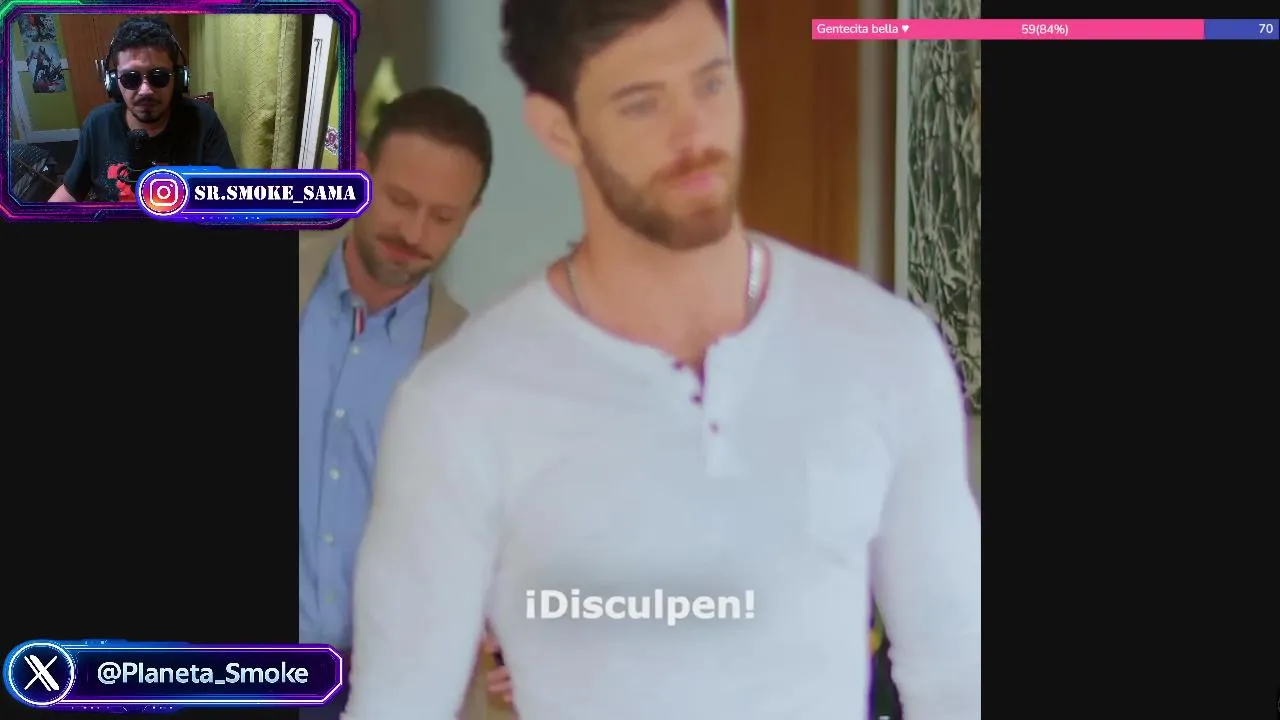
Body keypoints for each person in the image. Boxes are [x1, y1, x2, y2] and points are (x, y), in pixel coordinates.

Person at [343, 0, 982, 718]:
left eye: (710, 83)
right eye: (642, 103)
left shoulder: (886, 350)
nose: (694, 132)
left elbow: (957, 671)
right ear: (559, 128)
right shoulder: (459, 405)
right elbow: (401, 703)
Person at [298, 87, 511, 720]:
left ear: (471, 215)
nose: (415, 233)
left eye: (443, 217)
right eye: (400, 201)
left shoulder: (480, 363)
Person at [48, 16, 237, 203]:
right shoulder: (98, 124)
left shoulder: (203, 120)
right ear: (112, 82)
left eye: (159, 76)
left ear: (179, 78)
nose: (145, 90)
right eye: (130, 78)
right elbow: (70, 191)